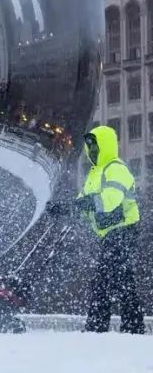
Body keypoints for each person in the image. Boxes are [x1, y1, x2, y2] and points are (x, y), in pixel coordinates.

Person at [46, 125, 144, 334]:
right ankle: (131, 328)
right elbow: (83, 204)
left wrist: (84, 204)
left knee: (105, 280)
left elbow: (109, 200)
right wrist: (63, 209)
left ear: (105, 146)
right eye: (90, 147)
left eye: (95, 147)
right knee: (119, 279)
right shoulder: (94, 174)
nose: (92, 152)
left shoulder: (116, 168)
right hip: (110, 233)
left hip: (123, 230)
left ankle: (99, 328)